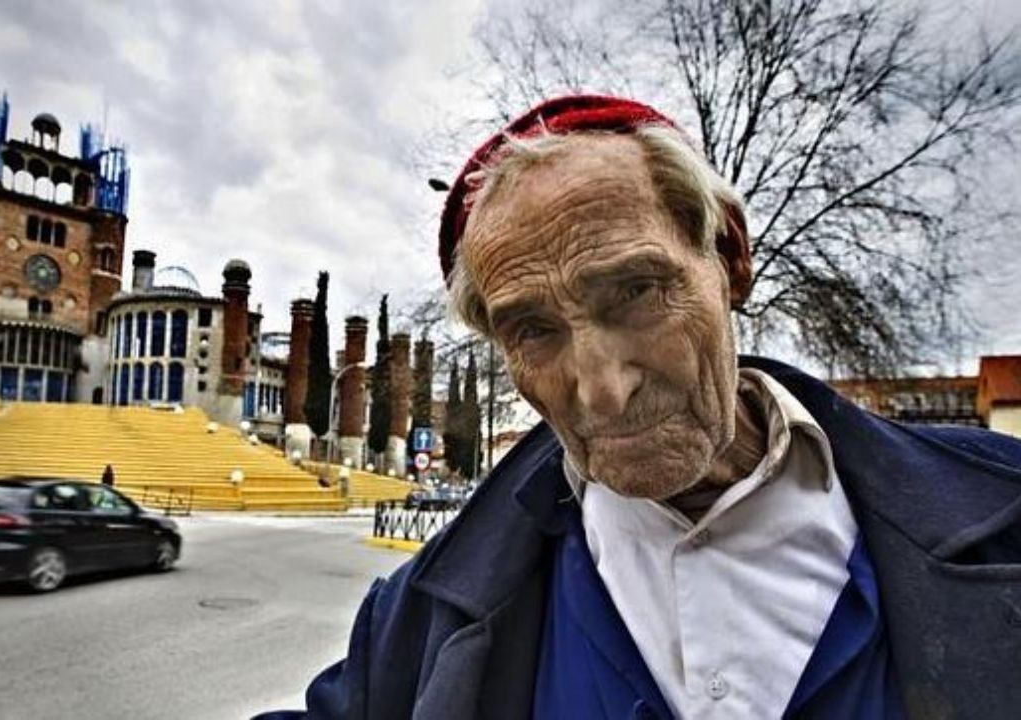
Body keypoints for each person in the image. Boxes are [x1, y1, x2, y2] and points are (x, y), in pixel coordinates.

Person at [259, 96, 1021, 719]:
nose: (601, 389)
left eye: (635, 292)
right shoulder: (421, 618)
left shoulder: (1002, 511)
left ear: (730, 258)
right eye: (533, 331)